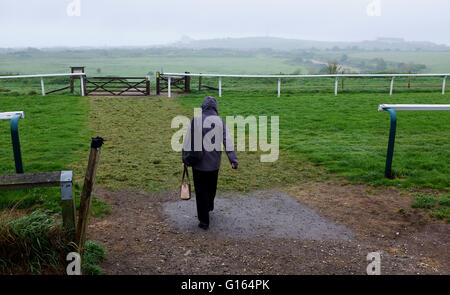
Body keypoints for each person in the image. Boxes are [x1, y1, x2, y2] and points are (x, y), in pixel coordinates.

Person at [182, 96, 238, 230]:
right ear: (215, 108)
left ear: (203, 107)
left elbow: (187, 142)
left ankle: (204, 221)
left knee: (201, 192)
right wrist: (233, 160)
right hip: (214, 163)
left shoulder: (196, 120)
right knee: (211, 187)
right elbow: (227, 141)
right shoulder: (220, 121)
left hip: (198, 164)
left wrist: (184, 160)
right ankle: (209, 206)